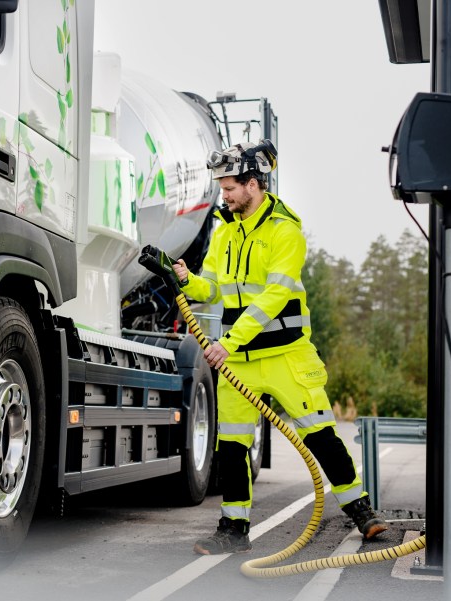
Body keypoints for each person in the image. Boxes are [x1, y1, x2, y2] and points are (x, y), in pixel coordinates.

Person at [173, 141, 387, 555]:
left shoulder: (285, 231)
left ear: (254, 184)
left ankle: (362, 512)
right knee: (232, 445)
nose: (224, 195)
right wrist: (187, 279)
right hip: (241, 362)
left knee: (321, 436)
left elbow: (274, 296)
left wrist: (227, 342)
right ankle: (233, 530)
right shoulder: (225, 231)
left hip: (288, 355)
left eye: (230, 187)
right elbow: (212, 287)